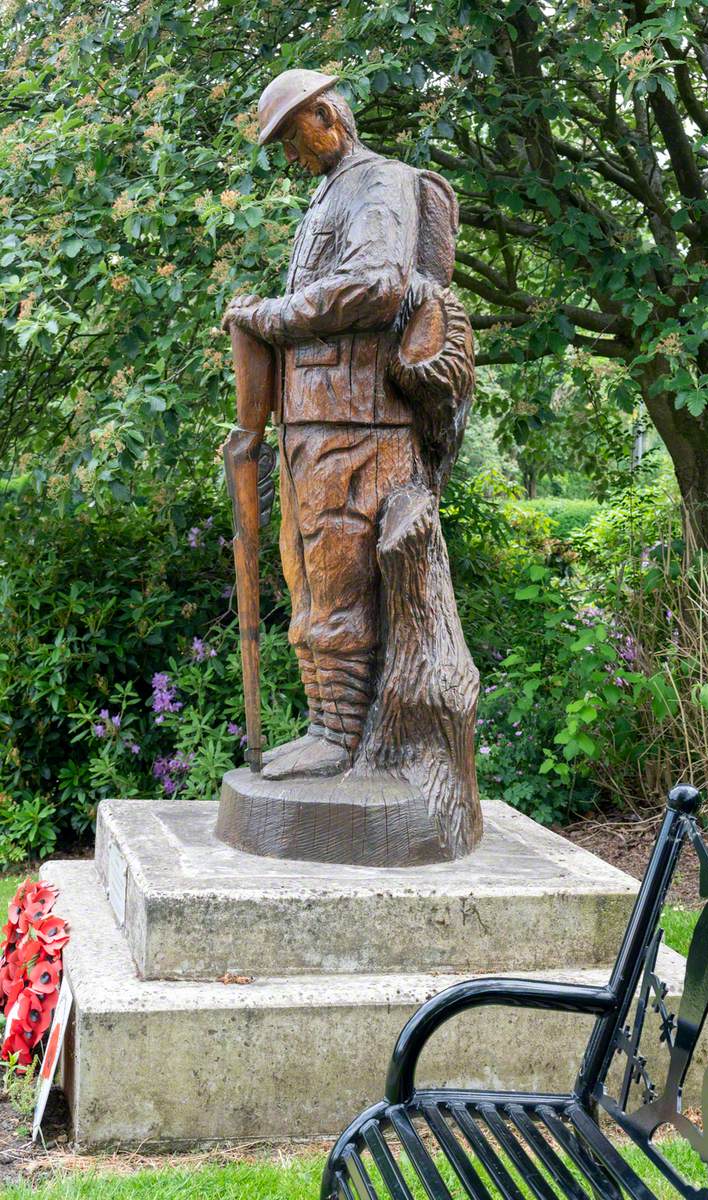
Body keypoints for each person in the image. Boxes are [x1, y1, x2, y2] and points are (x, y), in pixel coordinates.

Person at [223, 70, 443, 780]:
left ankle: (343, 736)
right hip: (314, 419)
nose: (291, 155)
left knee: (338, 570)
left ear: (327, 116)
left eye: (294, 136)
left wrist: (271, 316)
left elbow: (374, 284)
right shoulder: (332, 193)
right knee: (309, 574)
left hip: (357, 421)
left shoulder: (380, 184)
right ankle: (328, 728)